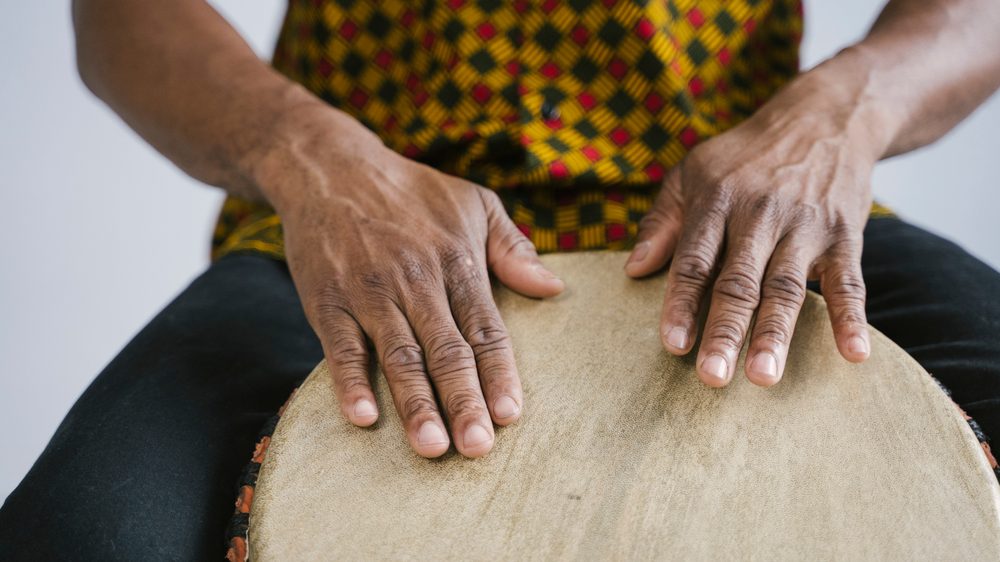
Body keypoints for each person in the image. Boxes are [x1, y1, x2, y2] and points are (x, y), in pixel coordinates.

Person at [2, 0, 999, 558]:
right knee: (77, 537)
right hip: (366, 214)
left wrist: (846, 110)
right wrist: (308, 157)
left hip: (743, 205)